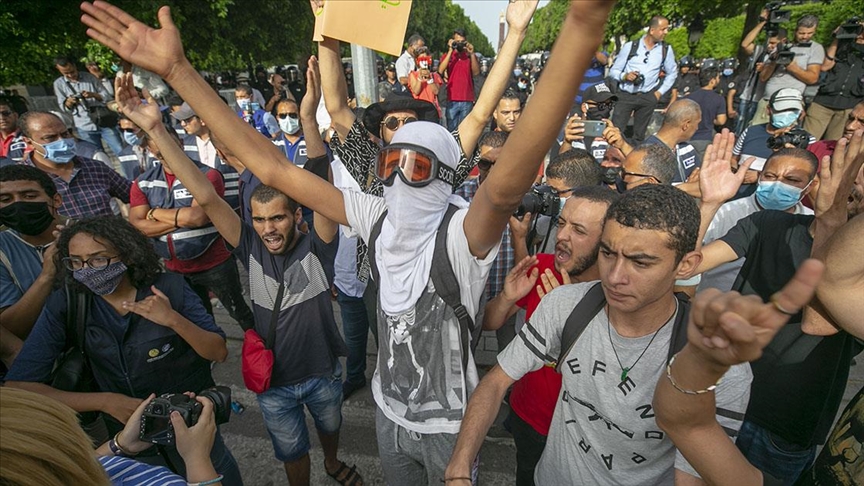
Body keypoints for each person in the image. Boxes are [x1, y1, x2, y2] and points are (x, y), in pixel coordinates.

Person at [78, 1, 609, 484]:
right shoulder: (375, 214)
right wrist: (178, 71)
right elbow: (272, 167)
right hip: (387, 412)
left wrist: (581, 24)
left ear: (446, 175)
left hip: (450, 424)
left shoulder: (462, 233)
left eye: (416, 166)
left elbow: (510, 176)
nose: (397, 176)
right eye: (390, 162)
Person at [114, 68, 360, 486]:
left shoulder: (319, 245)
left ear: (297, 216)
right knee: (291, 451)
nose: (268, 229)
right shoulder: (248, 246)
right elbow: (206, 196)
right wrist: (157, 129)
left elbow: (320, 183)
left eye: (278, 218)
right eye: (259, 220)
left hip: (323, 373)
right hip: (273, 382)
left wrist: (307, 118)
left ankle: (333, 463)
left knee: (330, 426)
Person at [446, 182, 752, 485]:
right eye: (607, 253)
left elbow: (692, 476)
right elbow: (496, 381)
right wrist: (460, 465)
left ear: (686, 265)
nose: (615, 277)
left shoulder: (719, 367)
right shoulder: (566, 305)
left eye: (640, 262)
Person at [683, 128, 864, 483]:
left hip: (785, 423)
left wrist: (831, 221)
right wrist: (709, 203)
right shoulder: (768, 224)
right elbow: (686, 267)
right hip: (725, 392)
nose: (847, 188)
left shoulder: (855, 267)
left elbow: (817, 321)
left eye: (853, 185)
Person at [5, 216, 242, 484]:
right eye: (76, 262)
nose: (87, 270)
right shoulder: (69, 303)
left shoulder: (169, 287)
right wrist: (106, 401)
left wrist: (173, 320)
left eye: (98, 259)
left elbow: (218, 352)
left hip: (194, 429)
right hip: (132, 444)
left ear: (127, 255)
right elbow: (19, 386)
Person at [483, 186, 618, 485]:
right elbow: (490, 322)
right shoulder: (542, 268)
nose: (562, 236)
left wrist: (569, 312)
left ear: (607, 241)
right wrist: (507, 298)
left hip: (580, 435)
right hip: (528, 417)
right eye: (562, 223)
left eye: (578, 230)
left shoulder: (617, 294)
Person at [651, 259, 824, 486]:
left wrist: (703, 364)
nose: (617, 277)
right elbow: (686, 426)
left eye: (641, 262)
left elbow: (687, 427)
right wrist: (702, 362)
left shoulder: (735, 375)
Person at [128, 126, 255, 331]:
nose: (167, 155)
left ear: (180, 143)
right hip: (175, 268)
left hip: (215, 263)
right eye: (160, 152)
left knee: (239, 312)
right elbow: (137, 225)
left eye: (170, 147)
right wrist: (182, 218)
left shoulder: (208, 175)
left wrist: (153, 213)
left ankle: (261, 345)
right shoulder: (143, 182)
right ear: (151, 151)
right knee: (200, 318)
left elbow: (198, 217)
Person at [0, 386, 225, 486]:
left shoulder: (75, 473)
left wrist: (121, 445)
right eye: (73, 440)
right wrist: (197, 459)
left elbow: (88, 464)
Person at [693, 149, 816, 295]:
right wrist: (709, 205)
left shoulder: (813, 226)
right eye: (770, 176)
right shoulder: (724, 212)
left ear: (809, 187)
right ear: (759, 176)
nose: (778, 185)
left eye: (792, 180)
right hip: (712, 303)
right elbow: (686, 260)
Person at [0, 166, 68, 365]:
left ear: (56, 200)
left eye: (29, 196)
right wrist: (47, 275)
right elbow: (10, 330)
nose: (18, 204)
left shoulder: (92, 235)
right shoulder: (3, 248)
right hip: (43, 362)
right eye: (6, 199)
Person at [17, 111, 131, 219]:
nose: (61, 141)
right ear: (29, 142)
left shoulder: (95, 168)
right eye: (50, 137)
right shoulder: (19, 180)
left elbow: (132, 195)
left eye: (65, 134)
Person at [733, 88, 816, 197]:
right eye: (781, 110)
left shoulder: (807, 140)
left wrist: (761, 176)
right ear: (768, 110)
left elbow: (806, 177)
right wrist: (737, 173)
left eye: (792, 110)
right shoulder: (750, 131)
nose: (787, 114)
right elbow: (734, 158)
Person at [609, 15, 678, 144]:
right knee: (615, 131)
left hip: (648, 96)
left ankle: (635, 155)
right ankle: (613, 154)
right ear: (652, 30)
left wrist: (659, 93)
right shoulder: (631, 46)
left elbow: (672, 73)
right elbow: (613, 71)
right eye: (663, 29)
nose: (666, 32)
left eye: (667, 29)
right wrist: (625, 76)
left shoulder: (665, 50)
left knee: (639, 136)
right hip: (626, 95)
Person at [751, 15, 824, 126]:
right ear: (795, 30)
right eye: (801, 33)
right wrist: (774, 60)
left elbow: (812, 78)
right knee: (757, 131)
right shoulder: (784, 45)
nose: (805, 36)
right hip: (768, 100)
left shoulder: (815, 48)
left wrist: (791, 66)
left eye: (810, 33)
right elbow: (763, 77)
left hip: (791, 103)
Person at [172, 102, 241, 211]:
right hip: (200, 209)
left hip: (234, 206)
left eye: (187, 120)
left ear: (203, 120)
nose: (183, 124)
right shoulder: (184, 145)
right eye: (181, 120)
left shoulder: (227, 142)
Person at [803, 19, 864, 141]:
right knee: (807, 140)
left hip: (848, 106)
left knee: (832, 145)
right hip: (822, 102)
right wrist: (838, 37)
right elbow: (825, 66)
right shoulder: (843, 44)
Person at [52, 56, 123, 155]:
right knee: (95, 155)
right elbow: (63, 107)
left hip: (104, 120)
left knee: (120, 150)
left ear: (75, 66)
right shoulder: (58, 84)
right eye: (66, 73)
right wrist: (69, 102)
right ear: (58, 70)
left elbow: (107, 96)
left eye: (72, 72)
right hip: (84, 125)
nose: (70, 75)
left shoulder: (90, 77)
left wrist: (93, 95)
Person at [737, 21, 787, 133]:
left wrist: (765, 68)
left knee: (754, 129)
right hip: (748, 95)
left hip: (763, 99)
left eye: (773, 43)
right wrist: (762, 23)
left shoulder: (784, 56)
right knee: (740, 128)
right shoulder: (761, 50)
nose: (769, 46)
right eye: (768, 43)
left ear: (783, 41)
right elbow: (745, 44)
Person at [640, 99, 702, 184]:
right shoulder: (648, 152)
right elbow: (649, 189)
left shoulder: (688, 149)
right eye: (697, 123)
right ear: (686, 125)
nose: (697, 128)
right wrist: (686, 188)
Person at [560, 82, 625, 164]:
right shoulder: (571, 133)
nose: (606, 109)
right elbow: (558, 166)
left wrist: (622, 145)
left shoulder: (613, 134)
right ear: (584, 107)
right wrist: (567, 142)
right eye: (601, 105)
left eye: (609, 105)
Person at [439, 28, 481, 131]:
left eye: (462, 42)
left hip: (467, 98)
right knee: (451, 130)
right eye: (457, 41)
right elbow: (440, 70)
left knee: (465, 130)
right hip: (451, 98)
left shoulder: (469, 56)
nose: (460, 44)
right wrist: (450, 50)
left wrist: (472, 53)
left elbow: (476, 73)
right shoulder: (448, 56)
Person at [687, 68, 727, 158]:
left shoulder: (689, 97)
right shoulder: (719, 99)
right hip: (705, 138)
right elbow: (721, 121)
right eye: (717, 78)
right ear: (712, 81)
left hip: (688, 136)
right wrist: (711, 119)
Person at [408, 47, 444, 117]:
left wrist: (429, 79)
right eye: (421, 59)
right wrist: (420, 77)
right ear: (417, 61)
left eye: (426, 58)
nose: (424, 61)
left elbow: (436, 91)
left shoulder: (435, 75)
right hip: (419, 108)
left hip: (432, 109)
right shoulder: (413, 74)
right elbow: (416, 91)